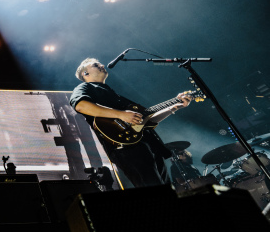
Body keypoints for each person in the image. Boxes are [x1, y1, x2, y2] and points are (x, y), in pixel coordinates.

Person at [70, 58, 192, 188]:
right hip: (127, 147)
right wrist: (121, 114)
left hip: (148, 144)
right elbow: (81, 106)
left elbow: (149, 120)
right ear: (85, 74)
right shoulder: (84, 87)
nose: (102, 65)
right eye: (96, 65)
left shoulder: (112, 93)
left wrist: (175, 106)